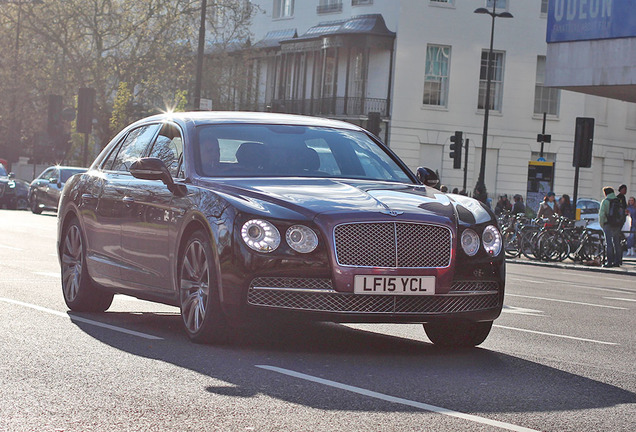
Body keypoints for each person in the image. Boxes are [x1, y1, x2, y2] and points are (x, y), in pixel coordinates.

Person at [599, 186, 625, 267]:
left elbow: (602, 215)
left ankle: (609, 261)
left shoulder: (605, 201)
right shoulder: (618, 200)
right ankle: (617, 261)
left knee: (609, 243)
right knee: (617, 243)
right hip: (617, 224)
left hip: (608, 224)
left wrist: (602, 224)